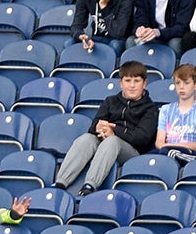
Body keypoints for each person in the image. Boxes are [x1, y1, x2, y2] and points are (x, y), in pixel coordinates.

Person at [57, 62, 159, 195]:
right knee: (87, 138)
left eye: (137, 81)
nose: (132, 85)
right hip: (105, 145)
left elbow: (141, 138)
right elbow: (93, 127)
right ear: (121, 83)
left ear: (144, 84)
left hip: (133, 153)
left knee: (112, 141)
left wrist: (114, 131)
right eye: (128, 80)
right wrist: (100, 128)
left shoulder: (151, 109)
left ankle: (90, 185)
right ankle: (60, 182)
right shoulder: (110, 101)